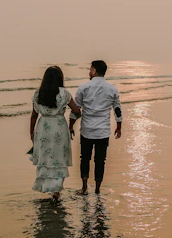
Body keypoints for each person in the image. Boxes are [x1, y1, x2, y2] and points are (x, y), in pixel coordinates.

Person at [69, 60, 123, 195]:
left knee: (84, 158)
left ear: (94, 70)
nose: (89, 72)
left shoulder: (83, 88)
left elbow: (76, 109)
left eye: (90, 69)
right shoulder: (111, 89)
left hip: (87, 129)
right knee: (100, 160)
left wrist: (70, 126)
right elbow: (117, 109)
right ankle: (98, 188)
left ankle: (84, 187)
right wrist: (119, 126)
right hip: (103, 131)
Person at [30, 66, 82, 201]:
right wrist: (73, 121)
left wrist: (32, 132)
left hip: (43, 128)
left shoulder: (38, 93)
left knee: (46, 158)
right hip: (59, 127)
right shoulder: (64, 93)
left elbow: (34, 115)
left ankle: (47, 187)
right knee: (59, 158)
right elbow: (76, 110)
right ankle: (56, 190)